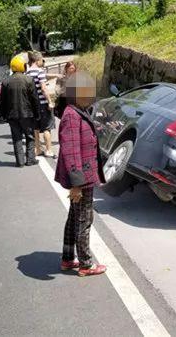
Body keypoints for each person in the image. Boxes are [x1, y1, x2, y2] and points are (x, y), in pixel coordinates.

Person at [55, 71, 107, 277]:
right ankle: (86, 263)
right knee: (84, 219)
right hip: (81, 178)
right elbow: (71, 152)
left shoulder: (77, 111)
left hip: (81, 176)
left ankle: (68, 258)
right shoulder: (71, 116)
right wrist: (76, 184)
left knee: (74, 216)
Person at [0, 54, 40, 167]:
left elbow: (2, 101)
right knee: (30, 137)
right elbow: (34, 99)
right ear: (22, 66)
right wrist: (37, 114)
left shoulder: (6, 81)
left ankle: (20, 161)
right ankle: (30, 159)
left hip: (12, 115)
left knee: (16, 138)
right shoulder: (28, 80)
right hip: (27, 114)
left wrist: (2, 115)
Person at [26, 52, 56, 158]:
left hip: (32, 105)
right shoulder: (40, 72)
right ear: (38, 60)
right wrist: (50, 101)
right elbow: (43, 89)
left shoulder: (27, 72)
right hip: (42, 104)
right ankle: (48, 150)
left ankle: (37, 149)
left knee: (36, 128)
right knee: (47, 128)